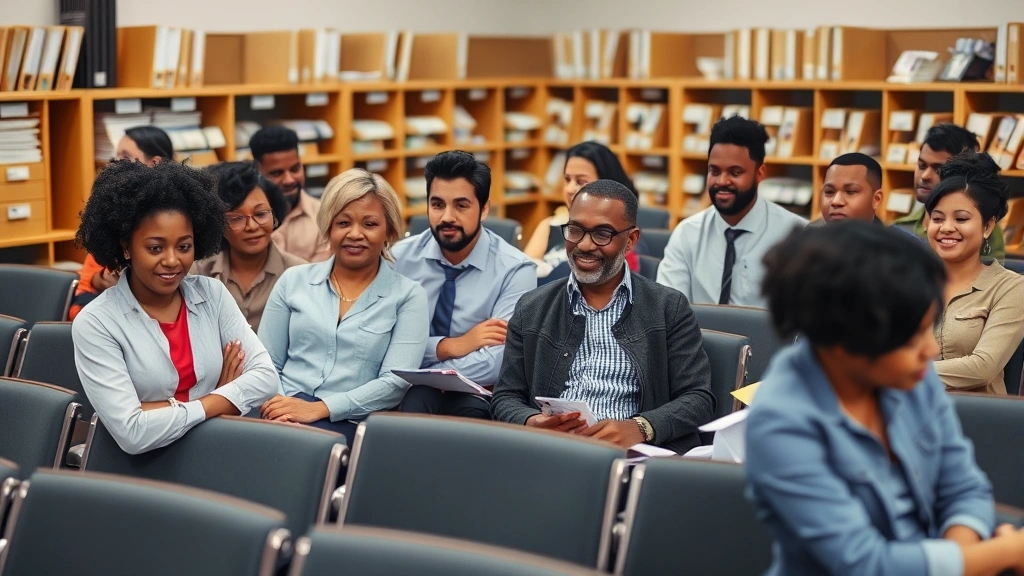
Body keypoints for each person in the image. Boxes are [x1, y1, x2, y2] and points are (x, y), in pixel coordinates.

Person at [744, 220, 1024, 576]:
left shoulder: (909, 376)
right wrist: (1005, 553)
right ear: (844, 345)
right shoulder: (781, 422)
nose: (931, 349)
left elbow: (964, 486)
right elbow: (864, 564)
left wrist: (960, 558)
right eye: (912, 339)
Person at [491, 179, 715, 454]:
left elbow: (698, 399)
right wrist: (531, 421)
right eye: (575, 230)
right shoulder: (533, 307)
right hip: (552, 452)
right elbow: (505, 397)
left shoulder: (668, 307)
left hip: (633, 457)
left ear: (631, 239)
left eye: (602, 234)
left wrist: (641, 427)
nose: (584, 245)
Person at [71, 160, 279, 455]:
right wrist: (220, 399)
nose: (172, 261)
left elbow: (266, 378)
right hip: (144, 468)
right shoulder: (97, 323)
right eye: (155, 248)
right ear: (126, 247)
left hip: (217, 451)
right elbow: (133, 434)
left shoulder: (212, 294)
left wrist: (158, 410)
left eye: (184, 246)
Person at [257, 168, 428, 446]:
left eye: (370, 224)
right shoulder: (293, 281)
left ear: (390, 230)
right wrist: (283, 407)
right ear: (328, 227)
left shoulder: (409, 296)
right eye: (343, 223)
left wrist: (320, 409)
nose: (355, 234)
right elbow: (266, 363)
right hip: (278, 410)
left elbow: (393, 384)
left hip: (350, 423)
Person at [393, 151, 536, 420]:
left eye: (461, 205)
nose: (447, 217)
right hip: (404, 390)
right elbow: (381, 341)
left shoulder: (516, 270)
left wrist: (417, 362)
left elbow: (497, 362)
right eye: (437, 205)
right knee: (414, 401)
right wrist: (451, 346)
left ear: (484, 209)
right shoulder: (399, 259)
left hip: (478, 394)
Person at [657, 116, 806, 307]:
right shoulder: (687, 233)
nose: (722, 182)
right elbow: (668, 311)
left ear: (760, 173)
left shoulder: (794, 237)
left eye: (735, 173)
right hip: (699, 336)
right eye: (715, 171)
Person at [925, 152, 1024, 394]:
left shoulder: (1011, 288)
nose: (946, 228)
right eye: (937, 218)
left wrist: (897, 372)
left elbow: (983, 367)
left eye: (961, 218)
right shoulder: (907, 279)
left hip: (979, 419)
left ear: (988, 226)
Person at [70, 126, 175, 320]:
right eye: (116, 156)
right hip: (101, 317)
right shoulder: (111, 210)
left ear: (155, 163)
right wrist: (98, 279)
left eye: (125, 156)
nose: (116, 163)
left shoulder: (178, 215)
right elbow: (85, 286)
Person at [191, 161, 306, 332]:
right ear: (217, 224)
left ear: (275, 215)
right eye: (236, 218)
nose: (252, 226)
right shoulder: (198, 275)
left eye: (260, 214)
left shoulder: (300, 275)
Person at [522, 141, 641, 283]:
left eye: (580, 181)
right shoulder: (549, 225)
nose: (569, 189)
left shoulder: (621, 234)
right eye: (567, 180)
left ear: (608, 185)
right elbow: (523, 276)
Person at [892, 123, 1005, 262]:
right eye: (921, 166)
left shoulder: (982, 227)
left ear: (962, 173)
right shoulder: (898, 229)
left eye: (939, 170)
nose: (924, 176)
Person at [250, 125, 331, 262]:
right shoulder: (245, 221)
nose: (289, 180)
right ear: (257, 172)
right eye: (276, 173)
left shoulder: (323, 216)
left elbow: (318, 277)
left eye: (295, 169)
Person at [819, 153, 883, 224]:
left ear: (876, 199)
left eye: (850, 191)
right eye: (829, 192)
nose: (836, 201)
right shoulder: (811, 233)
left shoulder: (887, 235)